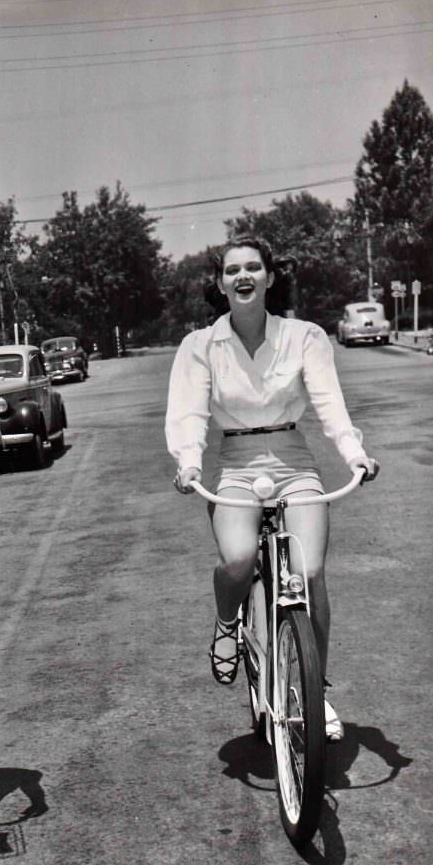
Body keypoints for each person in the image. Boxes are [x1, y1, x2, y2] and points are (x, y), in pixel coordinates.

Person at [166, 236, 379, 742]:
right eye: (233, 270)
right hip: (237, 463)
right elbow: (191, 413)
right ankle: (226, 624)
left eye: (253, 268)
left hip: (293, 459)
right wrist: (189, 464)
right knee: (238, 559)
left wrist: (354, 454)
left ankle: (314, 689)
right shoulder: (200, 346)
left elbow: (329, 403)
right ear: (220, 283)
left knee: (309, 572)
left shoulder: (305, 337)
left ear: (270, 277)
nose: (243, 277)